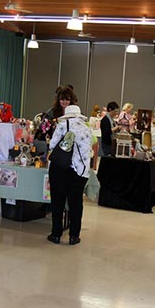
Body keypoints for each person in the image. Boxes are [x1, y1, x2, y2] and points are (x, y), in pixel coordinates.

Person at [47, 105, 93, 245]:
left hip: (61, 168)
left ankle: (56, 234)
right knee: (76, 203)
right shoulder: (87, 128)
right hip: (80, 171)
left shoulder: (62, 125)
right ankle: (74, 235)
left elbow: (52, 145)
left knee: (57, 202)